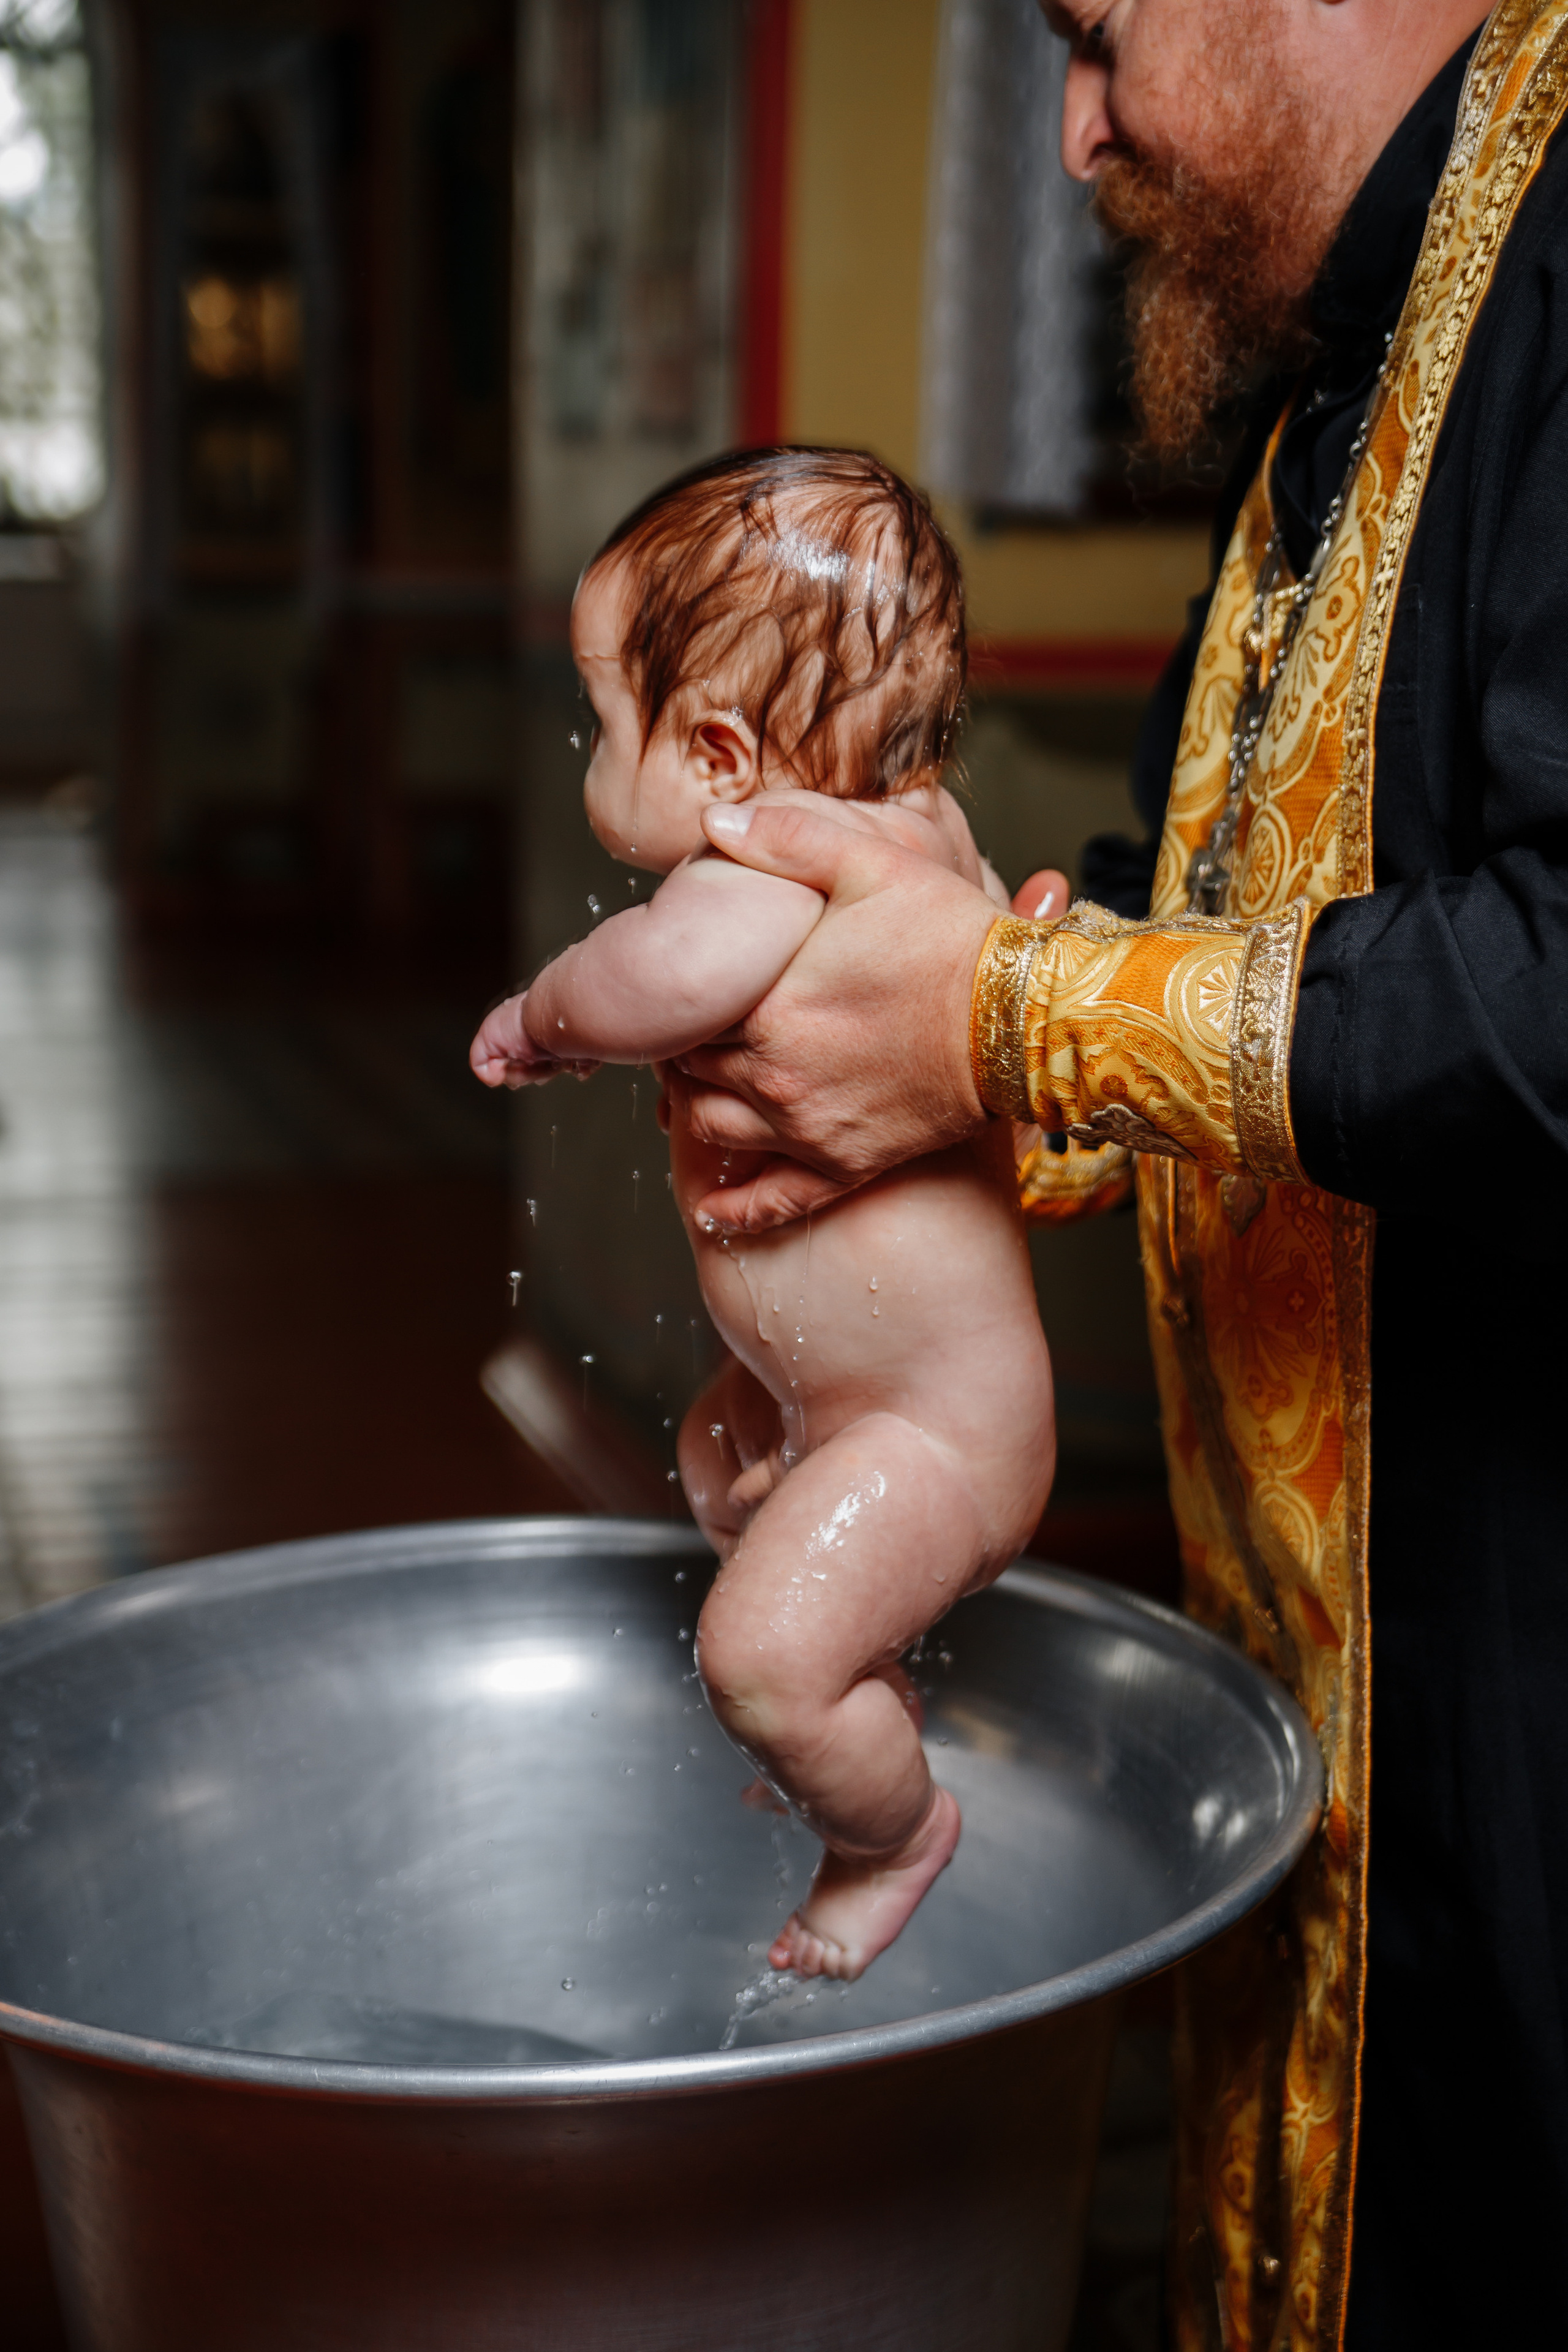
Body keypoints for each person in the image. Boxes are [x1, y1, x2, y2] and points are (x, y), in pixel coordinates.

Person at [655, 1, 1568, 2343]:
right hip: (1340, 1696)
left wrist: (999, 1015)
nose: (1074, 133)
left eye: (1098, 32)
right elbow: (1218, 942)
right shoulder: (1326, 416)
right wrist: (887, 1062)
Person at [470, 449, 1055, 1980]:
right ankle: (841, 1707)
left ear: (723, 756)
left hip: (926, 1439)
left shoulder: (761, 869)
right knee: (715, 1472)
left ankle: (886, 1827)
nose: (595, 752)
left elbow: (652, 982)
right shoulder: (923, 838)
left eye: (606, 725)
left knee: (752, 1653)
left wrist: (546, 1009)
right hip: (846, 1399)